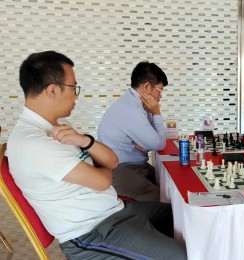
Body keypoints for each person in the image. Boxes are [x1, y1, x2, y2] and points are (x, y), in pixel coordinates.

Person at [7, 51, 187, 259]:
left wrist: (86, 141)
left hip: (116, 212)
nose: (76, 95)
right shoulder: (33, 143)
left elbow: (112, 160)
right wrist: (101, 162)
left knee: (186, 219)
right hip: (92, 233)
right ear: (53, 90)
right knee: (179, 256)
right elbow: (103, 179)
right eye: (74, 87)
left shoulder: (58, 127)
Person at [97, 61, 168, 201]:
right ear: (147, 87)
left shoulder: (135, 103)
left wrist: (147, 143)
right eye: (160, 91)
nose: (160, 97)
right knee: (163, 198)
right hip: (121, 170)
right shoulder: (131, 110)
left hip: (134, 165)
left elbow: (153, 138)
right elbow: (159, 143)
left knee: (169, 185)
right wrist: (156, 112)